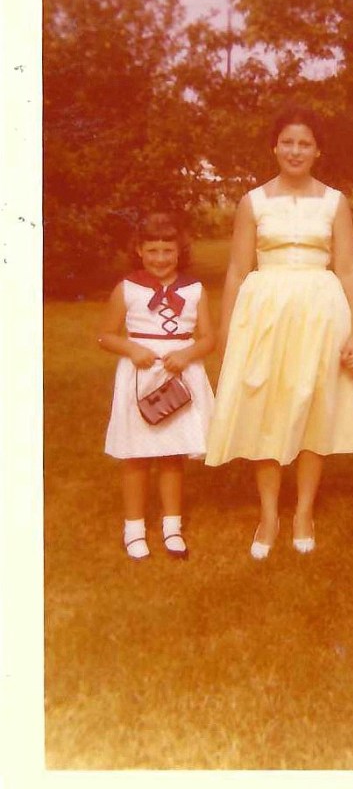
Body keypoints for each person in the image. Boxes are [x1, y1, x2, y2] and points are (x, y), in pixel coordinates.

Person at [205, 103, 353, 558]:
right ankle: (269, 513)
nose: (296, 150)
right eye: (288, 142)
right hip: (265, 313)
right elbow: (237, 270)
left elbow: (348, 270)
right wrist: (227, 332)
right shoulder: (253, 202)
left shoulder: (335, 202)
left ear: (318, 151)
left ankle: (304, 512)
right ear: (275, 148)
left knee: (314, 404)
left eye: (305, 143)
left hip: (320, 311)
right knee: (268, 406)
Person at [99, 212, 215, 560]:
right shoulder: (127, 288)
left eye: (168, 251)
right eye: (152, 251)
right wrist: (132, 349)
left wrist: (187, 353)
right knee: (136, 454)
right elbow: (105, 335)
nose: (160, 258)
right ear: (139, 250)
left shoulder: (194, 290)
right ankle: (134, 529)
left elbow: (209, 338)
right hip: (141, 375)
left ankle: (172, 527)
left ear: (180, 251)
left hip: (179, 374)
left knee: (171, 453)